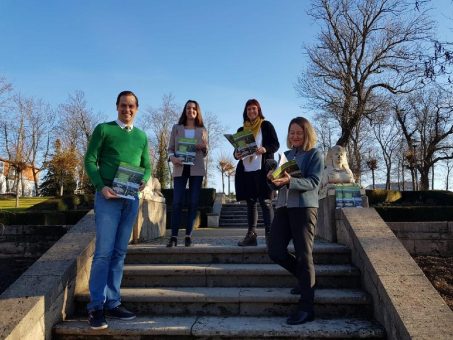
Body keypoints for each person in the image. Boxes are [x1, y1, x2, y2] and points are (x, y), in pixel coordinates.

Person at [84, 90, 151, 330]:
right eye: (123, 105)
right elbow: (90, 160)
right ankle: (95, 306)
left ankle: (113, 302)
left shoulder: (142, 136)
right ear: (117, 107)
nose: (127, 109)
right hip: (108, 197)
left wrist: (144, 179)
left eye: (132, 106)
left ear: (137, 108)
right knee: (103, 252)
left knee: (120, 253)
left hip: (130, 199)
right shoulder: (104, 129)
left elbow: (147, 166)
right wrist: (101, 186)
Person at [267, 116, 324, 325]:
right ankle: (305, 279)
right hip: (283, 207)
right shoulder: (287, 155)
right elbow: (278, 185)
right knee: (275, 251)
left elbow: (314, 182)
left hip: (304, 208)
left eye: (299, 132)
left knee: (303, 255)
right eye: (292, 132)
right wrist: (272, 179)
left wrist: (291, 180)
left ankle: (307, 308)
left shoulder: (314, 154)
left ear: (306, 134)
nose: (295, 136)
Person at [234, 99, 279, 246]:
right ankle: (251, 235)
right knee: (251, 203)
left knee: (266, 203)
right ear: (245, 112)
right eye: (249, 109)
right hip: (247, 170)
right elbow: (236, 151)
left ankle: (271, 236)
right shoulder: (241, 131)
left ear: (258, 110)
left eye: (254, 109)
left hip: (263, 170)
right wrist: (237, 155)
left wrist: (265, 149)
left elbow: (275, 144)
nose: (251, 111)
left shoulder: (266, 125)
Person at [167, 100, 208, 247]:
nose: (191, 110)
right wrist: (172, 158)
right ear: (185, 110)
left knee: (193, 202)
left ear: (197, 112)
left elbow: (204, 153)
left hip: (196, 169)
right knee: (177, 202)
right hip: (180, 168)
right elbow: (170, 148)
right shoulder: (176, 128)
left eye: (194, 108)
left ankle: (188, 235)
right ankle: (173, 236)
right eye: (188, 108)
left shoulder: (202, 129)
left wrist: (203, 147)